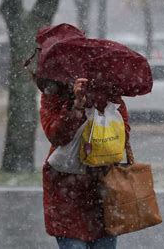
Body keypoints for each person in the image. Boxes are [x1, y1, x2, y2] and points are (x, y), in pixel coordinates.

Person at [39, 76, 130, 249]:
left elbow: (122, 137)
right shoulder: (53, 92)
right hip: (65, 192)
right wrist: (78, 105)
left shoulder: (110, 92)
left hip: (103, 191)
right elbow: (56, 135)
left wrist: (101, 107)